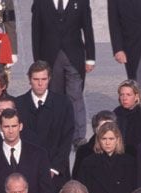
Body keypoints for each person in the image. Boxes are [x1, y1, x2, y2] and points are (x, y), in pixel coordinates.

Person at [31, 0, 96, 148]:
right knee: (54, 96)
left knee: (76, 95)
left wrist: (90, 57)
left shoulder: (81, 2)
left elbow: (87, 28)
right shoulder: (40, 2)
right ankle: (56, 134)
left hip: (74, 56)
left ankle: (79, 137)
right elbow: (36, 31)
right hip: (50, 58)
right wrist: (38, 62)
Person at [15, 60, 75, 193]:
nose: (40, 83)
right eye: (36, 79)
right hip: (27, 171)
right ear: (29, 80)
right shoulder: (19, 104)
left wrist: (54, 168)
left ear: (49, 79)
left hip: (57, 171)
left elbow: (67, 137)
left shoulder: (63, 103)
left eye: (43, 79)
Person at [113, 79, 141, 156]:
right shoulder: (115, 114)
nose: (124, 98)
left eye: (128, 95)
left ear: (136, 96)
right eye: (122, 94)